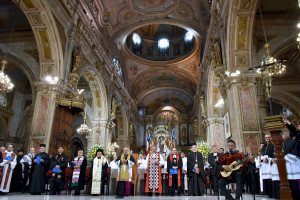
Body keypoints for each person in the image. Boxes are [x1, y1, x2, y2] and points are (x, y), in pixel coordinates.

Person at [282, 130, 300, 199]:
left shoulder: (292, 142)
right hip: (288, 166)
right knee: (291, 183)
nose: (282, 135)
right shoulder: (285, 142)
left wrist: (283, 157)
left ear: (287, 134)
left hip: (294, 166)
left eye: (283, 133)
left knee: (295, 184)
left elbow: (294, 154)